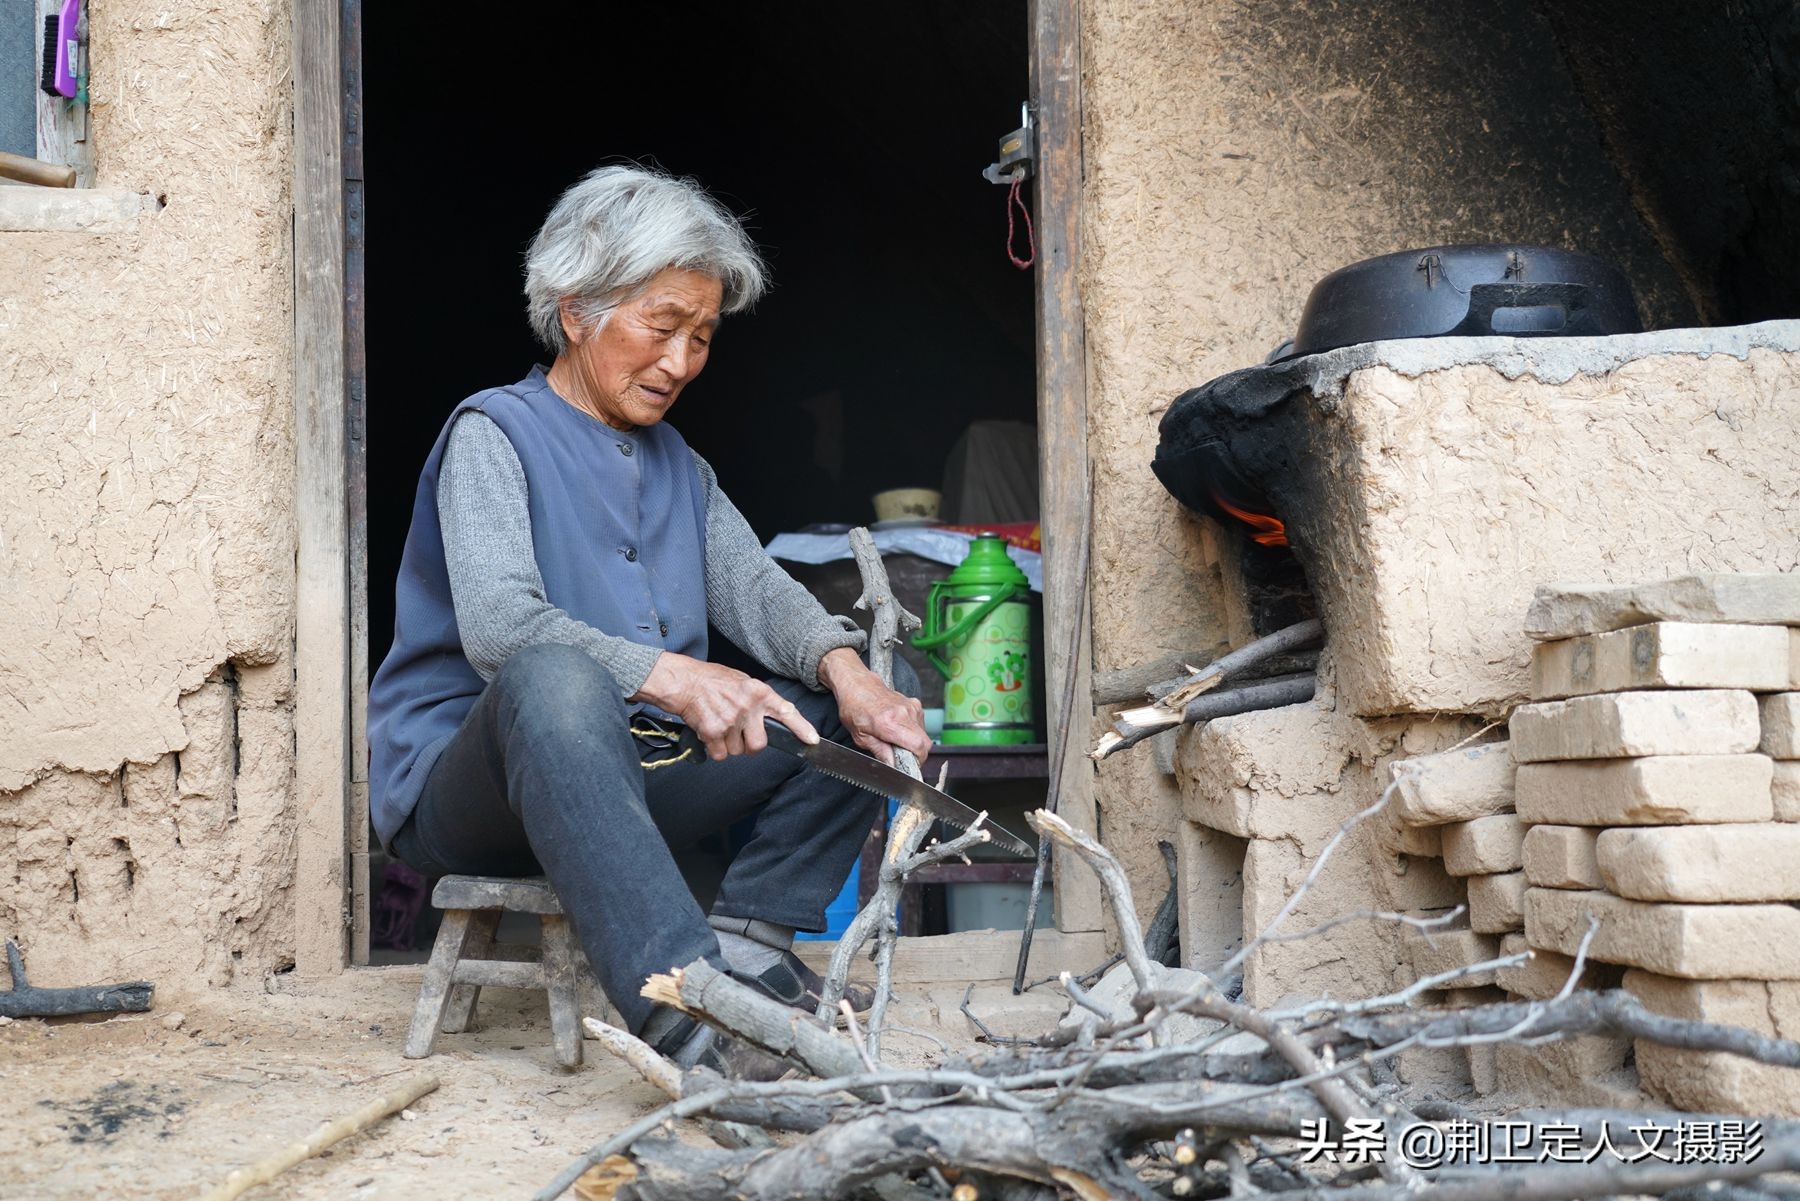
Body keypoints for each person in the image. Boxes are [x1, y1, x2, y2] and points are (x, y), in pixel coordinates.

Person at [368, 164, 932, 1073]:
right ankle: (686, 1015)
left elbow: (757, 588)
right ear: (575, 309)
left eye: (702, 337)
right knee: (551, 676)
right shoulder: (492, 432)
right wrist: (672, 673)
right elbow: (501, 627)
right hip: (473, 787)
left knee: (854, 700)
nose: (679, 362)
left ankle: (751, 949)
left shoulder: (682, 466)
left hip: (634, 772)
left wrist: (850, 671)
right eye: (660, 327)